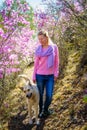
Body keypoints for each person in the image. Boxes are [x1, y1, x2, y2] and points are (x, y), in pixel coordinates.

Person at [33, 30, 59, 118]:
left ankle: (46, 109)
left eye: (42, 38)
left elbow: (56, 62)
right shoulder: (38, 49)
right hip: (39, 75)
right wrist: (34, 75)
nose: (40, 40)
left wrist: (56, 73)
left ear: (46, 37)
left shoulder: (54, 47)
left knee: (49, 95)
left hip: (50, 76)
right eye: (39, 39)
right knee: (40, 95)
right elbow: (36, 63)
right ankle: (41, 111)